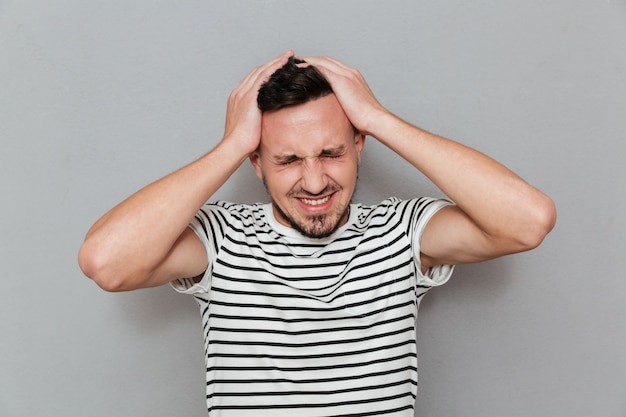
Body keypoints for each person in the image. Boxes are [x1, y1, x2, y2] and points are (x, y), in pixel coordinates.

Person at [78, 50, 556, 416]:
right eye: (287, 160)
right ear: (257, 163)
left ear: (359, 146)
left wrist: (377, 118)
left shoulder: (399, 230)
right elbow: (106, 261)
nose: (313, 182)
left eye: (331, 153)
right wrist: (230, 146)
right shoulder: (222, 239)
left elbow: (528, 221)